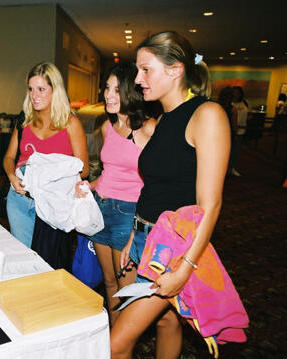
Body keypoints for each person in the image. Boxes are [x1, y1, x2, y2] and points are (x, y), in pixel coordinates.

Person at [110, 31, 230, 358]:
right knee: (166, 324)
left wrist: (186, 267)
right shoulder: (163, 118)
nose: (137, 79)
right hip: (144, 238)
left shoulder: (207, 115)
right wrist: (133, 235)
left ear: (176, 69)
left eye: (146, 70)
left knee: (114, 345)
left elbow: (211, 204)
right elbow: (156, 187)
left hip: (173, 250)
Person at [75, 61, 156, 325]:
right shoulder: (106, 127)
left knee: (127, 291)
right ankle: (114, 344)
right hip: (101, 209)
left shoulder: (148, 129)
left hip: (128, 214)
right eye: (107, 88)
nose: (108, 95)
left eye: (116, 90)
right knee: (109, 284)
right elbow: (108, 172)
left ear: (131, 92)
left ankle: (123, 344)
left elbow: (157, 181)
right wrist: (90, 186)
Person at [2, 61, 89, 264]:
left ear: (54, 90)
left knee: (48, 262)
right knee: (21, 258)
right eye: (31, 89)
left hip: (54, 203)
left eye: (41, 89)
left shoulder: (70, 123)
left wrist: (51, 177)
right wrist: (11, 177)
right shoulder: (24, 120)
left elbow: (83, 170)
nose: (35, 95)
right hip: (20, 200)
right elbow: (8, 158)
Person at [217, 86, 238, 176]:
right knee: (228, 154)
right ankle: (226, 171)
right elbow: (234, 124)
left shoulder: (216, 106)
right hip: (228, 134)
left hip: (217, 133)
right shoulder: (232, 109)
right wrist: (235, 134)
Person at [230, 86, 250, 176]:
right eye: (234, 92)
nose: (236, 94)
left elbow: (249, 113)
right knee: (230, 150)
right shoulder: (229, 103)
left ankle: (232, 168)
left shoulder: (245, 102)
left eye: (237, 92)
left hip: (242, 130)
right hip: (231, 130)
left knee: (236, 150)